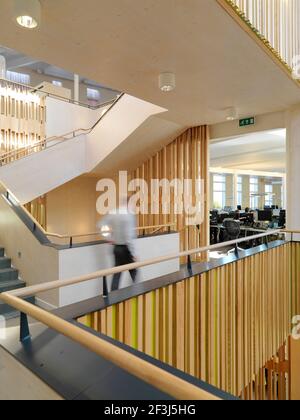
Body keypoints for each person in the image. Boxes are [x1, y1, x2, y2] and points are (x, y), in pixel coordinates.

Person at [99, 197, 138, 291]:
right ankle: (137, 292)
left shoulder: (114, 212)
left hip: (116, 248)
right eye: (133, 203)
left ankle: (113, 297)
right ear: (128, 204)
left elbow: (100, 224)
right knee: (134, 271)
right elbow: (128, 237)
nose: (134, 206)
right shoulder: (129, 215)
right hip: (126, 249)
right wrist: (133, 254)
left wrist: (109, 237)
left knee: (117, 274)